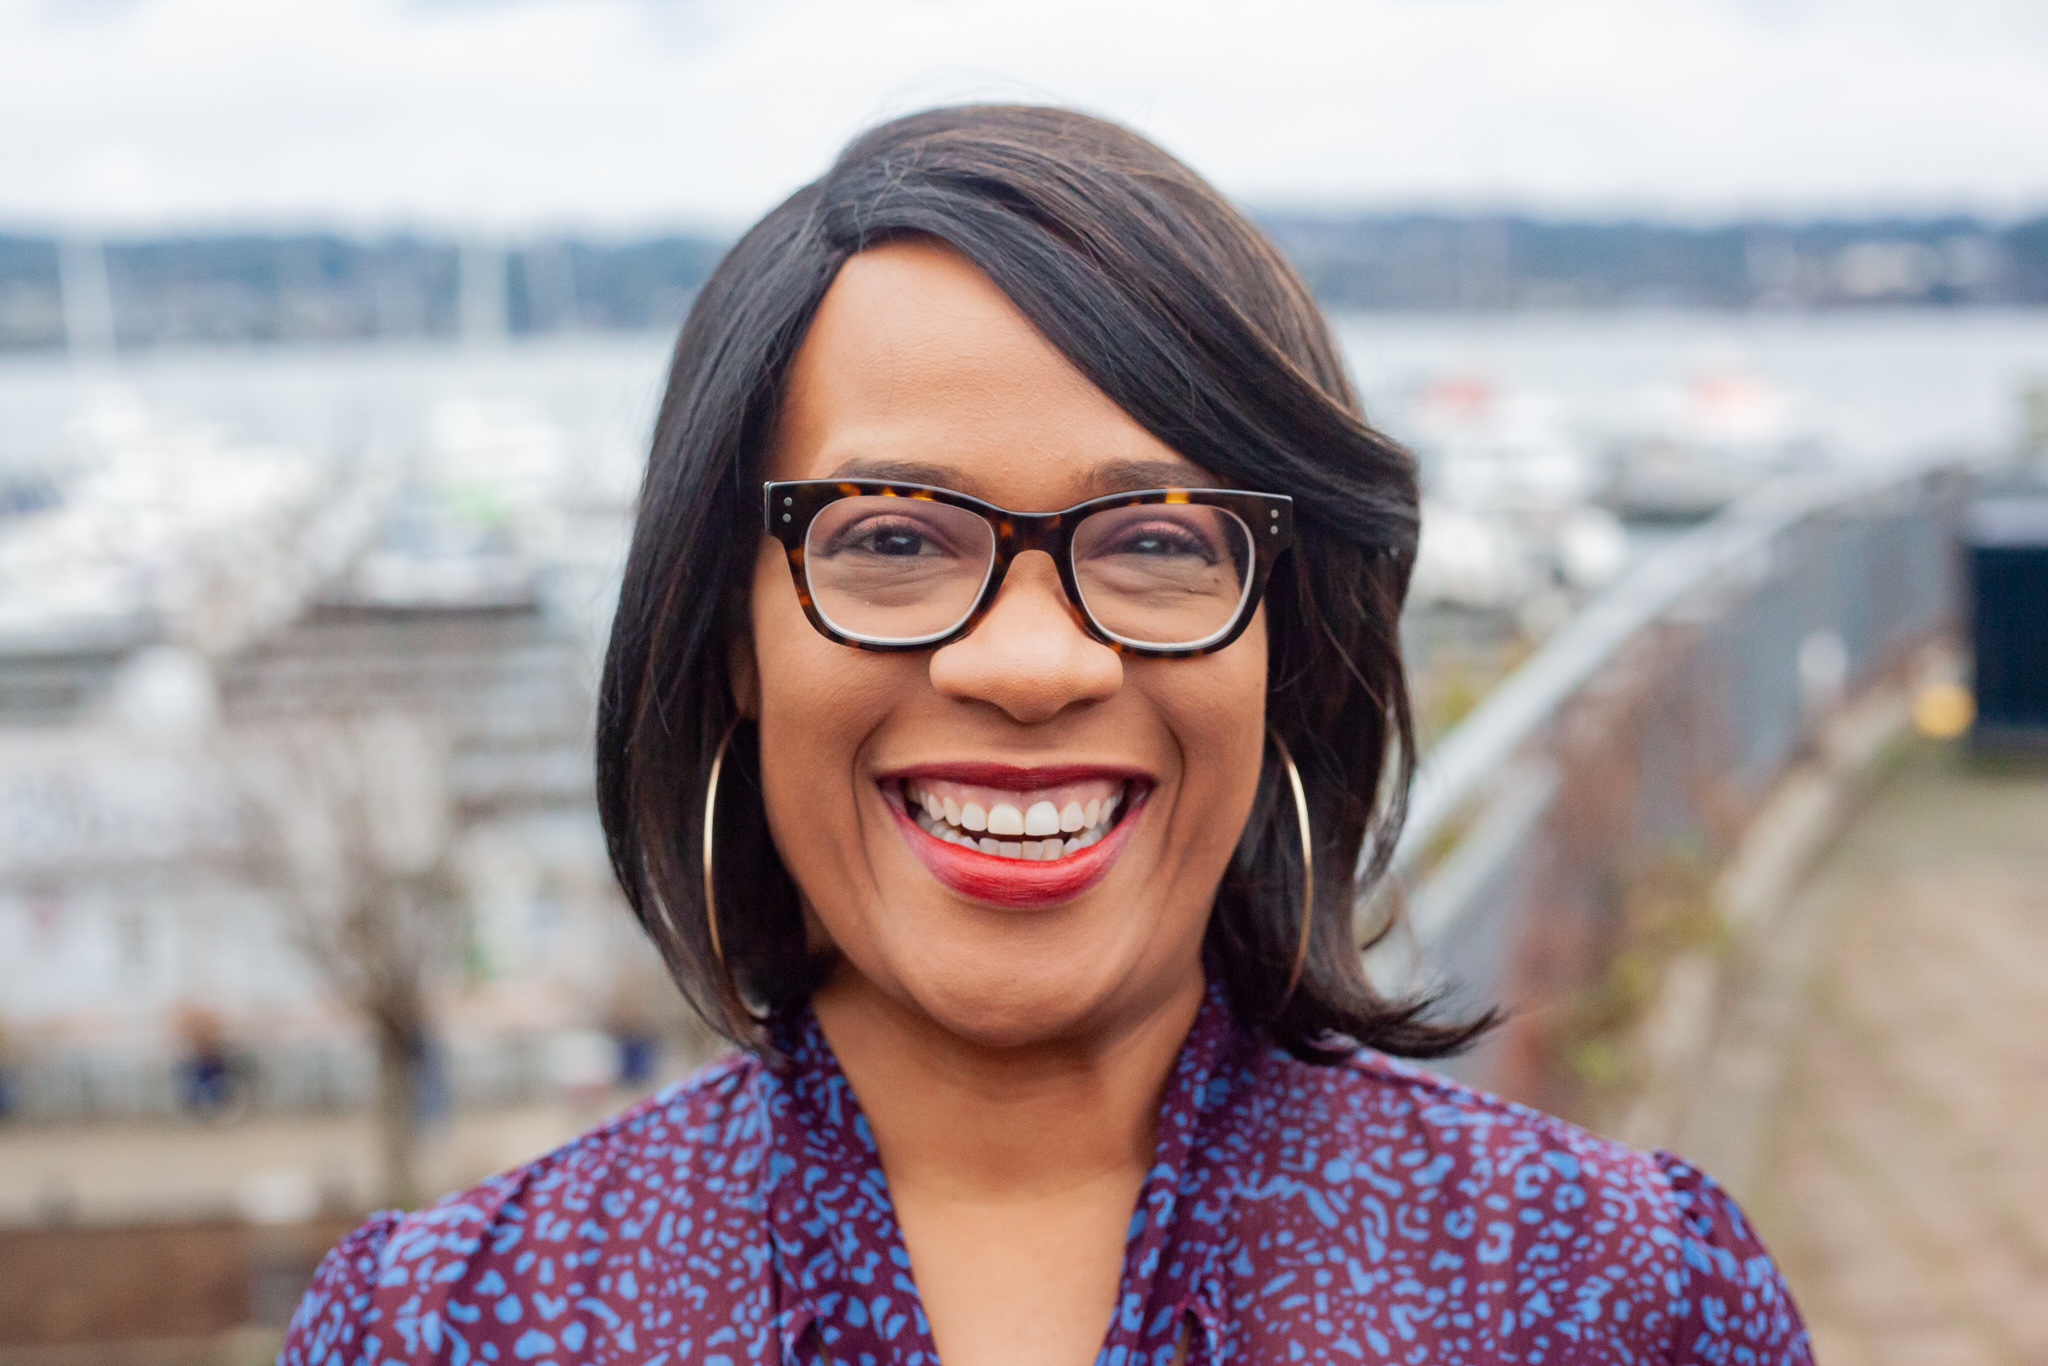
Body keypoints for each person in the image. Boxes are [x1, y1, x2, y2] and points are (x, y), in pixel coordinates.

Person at [283, 106, 1810, 1365]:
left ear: (1290, 640)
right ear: (728, 640)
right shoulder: (449, 1328)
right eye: (889, 538)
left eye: (1156, 540)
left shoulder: (1610, 1298)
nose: (1029, 662)